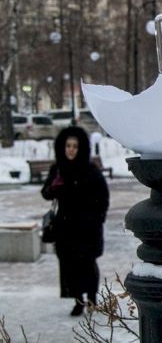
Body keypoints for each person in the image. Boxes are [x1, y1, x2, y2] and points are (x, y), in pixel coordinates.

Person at [41, 126, 110, 316]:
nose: (71, 150)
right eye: (68, 146)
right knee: (69, 265)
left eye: (75, 146)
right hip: (64, 226)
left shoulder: (90, 170)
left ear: (81, 148)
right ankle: (78, 300)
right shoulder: (58, 169)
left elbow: (103, 197)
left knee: (87, 263)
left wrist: (98, 219)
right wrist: (53, 187)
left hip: (87, 226)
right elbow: (46, 194)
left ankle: (92, 299)